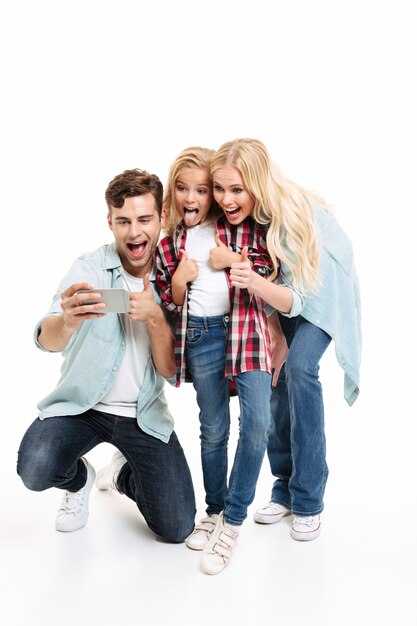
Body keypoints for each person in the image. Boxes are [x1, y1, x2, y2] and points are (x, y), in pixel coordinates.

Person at [17, 168, 196, 543]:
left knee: (177, 528)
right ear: (110, 222)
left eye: (145, 219)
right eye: (124, 221)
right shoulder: (89, 267)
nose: (135, 232)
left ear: (162, 217)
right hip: (82, 408)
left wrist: (156, 320)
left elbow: (170, 372)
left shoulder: (175, 278)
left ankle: (121, 474)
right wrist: (66, 320)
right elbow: (47, 340)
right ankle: (80, 480)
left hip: (141, 416)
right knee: (35, 469)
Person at [210, 138, 361, 541]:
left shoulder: (288, 217)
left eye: (236, 189)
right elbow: (273, 287)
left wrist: (253, 280)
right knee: (275, 373)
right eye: (221, 189)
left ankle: (309, 498)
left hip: (321, 292)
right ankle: (284, 488)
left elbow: (297, 296)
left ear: (257, 184)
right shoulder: (245, 219)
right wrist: (273, 334)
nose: (226, 199)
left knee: (300, 369)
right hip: (284, 295)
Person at [155, 147, 286, 574]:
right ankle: (212, 510)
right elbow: (169, 302)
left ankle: (232, 519)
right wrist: (179, 279)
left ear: (214, 194)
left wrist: (231, 260)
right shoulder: (173, 241)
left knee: (258, 424)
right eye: (182, 188)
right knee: (213, 428)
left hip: (245, 332)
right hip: (202, 337)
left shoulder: (244, 227)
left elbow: (272, 269)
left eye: (203, 189)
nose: (192, 197)